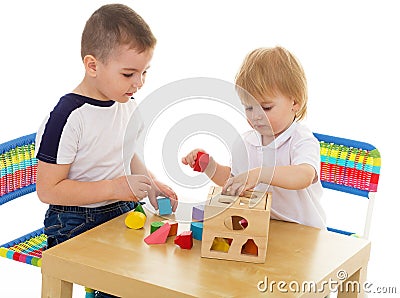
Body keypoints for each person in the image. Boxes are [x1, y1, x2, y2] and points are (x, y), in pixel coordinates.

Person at [35, 4, 177, 298]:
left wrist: (152, 183)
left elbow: (128, 155)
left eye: (144, 72)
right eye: (128, 74)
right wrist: (114, 187)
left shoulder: (126, 104)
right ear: (92, 65)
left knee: (159, 270)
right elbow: (48, 190)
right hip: (74, 221)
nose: (138, 83)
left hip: (119, 210)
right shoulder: (68, 116)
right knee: (122, 283)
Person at [182, 46, 326, 229]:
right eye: (249, 108)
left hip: (304, 233)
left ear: (295, 102)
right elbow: (235, 181)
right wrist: (210, 166)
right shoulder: (246, 142)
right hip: (262, 229)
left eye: (266, 108)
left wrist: (260, 174)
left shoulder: (300, 139)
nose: (256, 116)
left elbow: (303, 175)